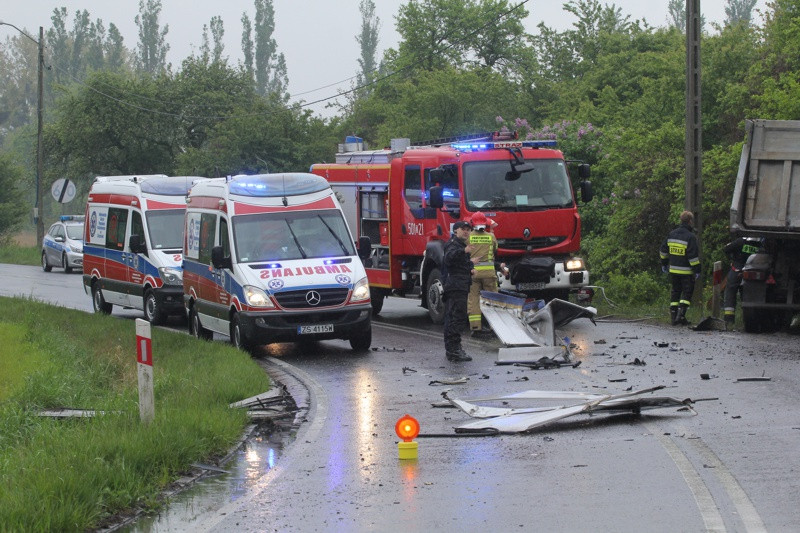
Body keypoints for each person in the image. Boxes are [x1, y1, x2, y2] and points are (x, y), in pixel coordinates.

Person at [467, 212, 508, 337]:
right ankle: (493, 326)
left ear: (472, 223)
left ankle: (475, 327)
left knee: (473, 299)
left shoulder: (468, 237)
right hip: (489, 274)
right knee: (492, 300)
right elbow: (495, 249)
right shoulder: (491, 237)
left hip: (473, 273)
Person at [659, 210, 701, 325]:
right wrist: (697, 270)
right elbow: (693, 257)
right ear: (690, 221)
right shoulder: (690, 237)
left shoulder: (672, 234)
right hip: (686, 272)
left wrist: (664, 263)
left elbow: (663, 251)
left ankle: (673, 318)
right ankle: (681, 316)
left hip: (673, 270)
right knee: (687, 294)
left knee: (675, 292)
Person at [442, 220, 475, 362]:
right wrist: (463, 251)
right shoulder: (453, 244)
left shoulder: (460, 245)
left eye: (468, 229)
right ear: (456, 231)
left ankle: (454, 348)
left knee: (457, 317)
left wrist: (470, 269)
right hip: (456, 286)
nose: (466, 232)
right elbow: (448, 259)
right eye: (463, 229)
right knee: (456, 317)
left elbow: (458, 265)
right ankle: (453, 350)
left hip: (461, 285)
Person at [722, 236, 764, 327]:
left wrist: (732, 257)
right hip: (752, 272)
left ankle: (729, 320)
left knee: (730, 291)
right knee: (747, 295)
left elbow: (726, 249)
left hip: (736, 270)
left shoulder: (740, 242)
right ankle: (749, 320)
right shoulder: (761, 245)